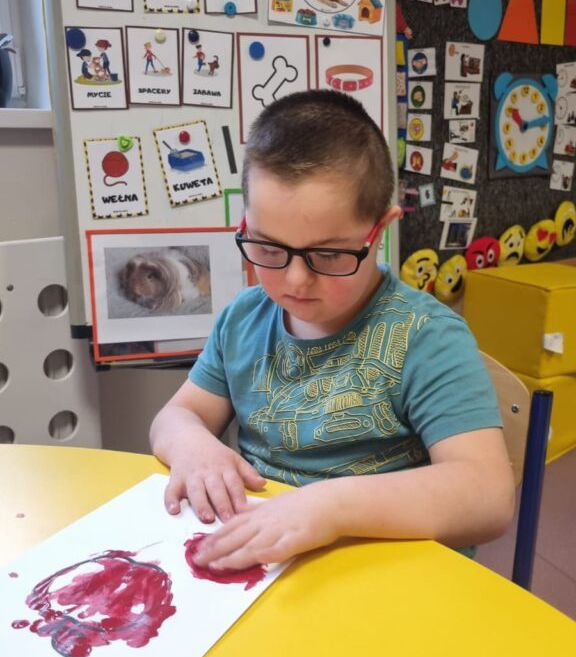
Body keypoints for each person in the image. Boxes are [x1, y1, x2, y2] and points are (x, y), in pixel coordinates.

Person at [150, 90, 514, 573]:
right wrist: (193, 445)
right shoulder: (243, 319)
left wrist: (331, 506)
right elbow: (176, 416)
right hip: (268, 565)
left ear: (381, 230)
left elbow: (487, 496)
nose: (296, 280)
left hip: (383, 573)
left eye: (328, 255)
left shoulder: (427, 337)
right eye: (269, 248)